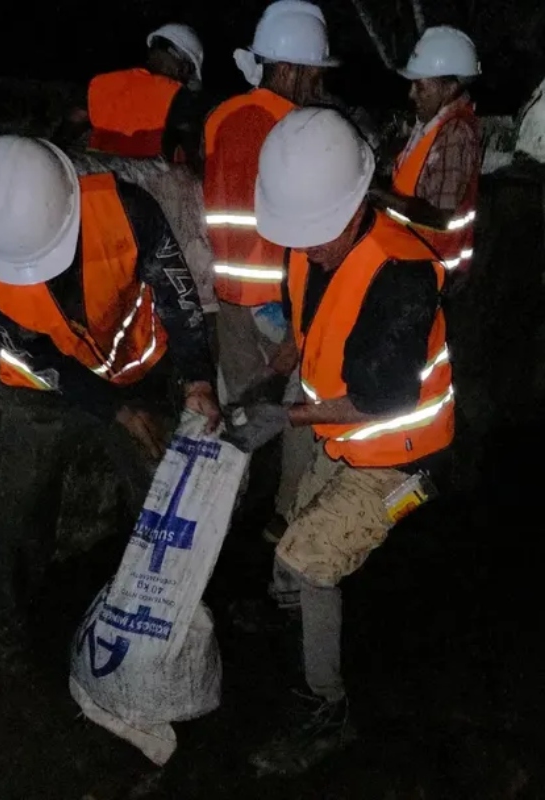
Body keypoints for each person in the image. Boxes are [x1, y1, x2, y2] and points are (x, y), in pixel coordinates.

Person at [223, 108, 458, 775]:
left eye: (318, 234)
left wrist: (287, 418)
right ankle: (294, 617)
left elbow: (385, 397)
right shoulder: (312, 246)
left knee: (307, 559)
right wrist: (268, 382)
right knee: (295, 527)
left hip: (404, 458)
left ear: (355, 205)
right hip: (344, 436)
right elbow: (305, 329)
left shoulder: (404, 272)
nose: (310, 247)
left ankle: (326, 710)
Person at [0, 134, 221, 673]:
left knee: (161, 501)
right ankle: (4, 624)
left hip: (136, 374)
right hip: (41, 391)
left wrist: (197, 381)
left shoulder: (128, 210)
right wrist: (115, 409)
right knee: (19, 510)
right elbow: (31, 350)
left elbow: (178, 296)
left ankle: (154, 622)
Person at [202, 0, 340, 541]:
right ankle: (286, 542)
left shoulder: (220, 117)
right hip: (282, 304)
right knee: (300, 419)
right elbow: (315, 238)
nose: (318, 86)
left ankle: (213, 530)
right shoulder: (300, 129)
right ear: (289, 69)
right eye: (314, 74)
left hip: (231, 296)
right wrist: (303, 329)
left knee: (234, 418)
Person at [370, 26, 482, 280]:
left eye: (420, 86)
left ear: (449, 87)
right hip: (413, 256)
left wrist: (376, 192)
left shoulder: (454, 133)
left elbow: (439, 216)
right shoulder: (433, 123)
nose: (411, 94)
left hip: (433, 265)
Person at [77, 24, 206, 168]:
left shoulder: (101, 83)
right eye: (188, 71)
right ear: (182, 63)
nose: (184, 78)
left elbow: (72, 125)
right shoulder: (178, 96)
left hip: (96, 181)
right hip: (143, 185)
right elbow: (192, 154)